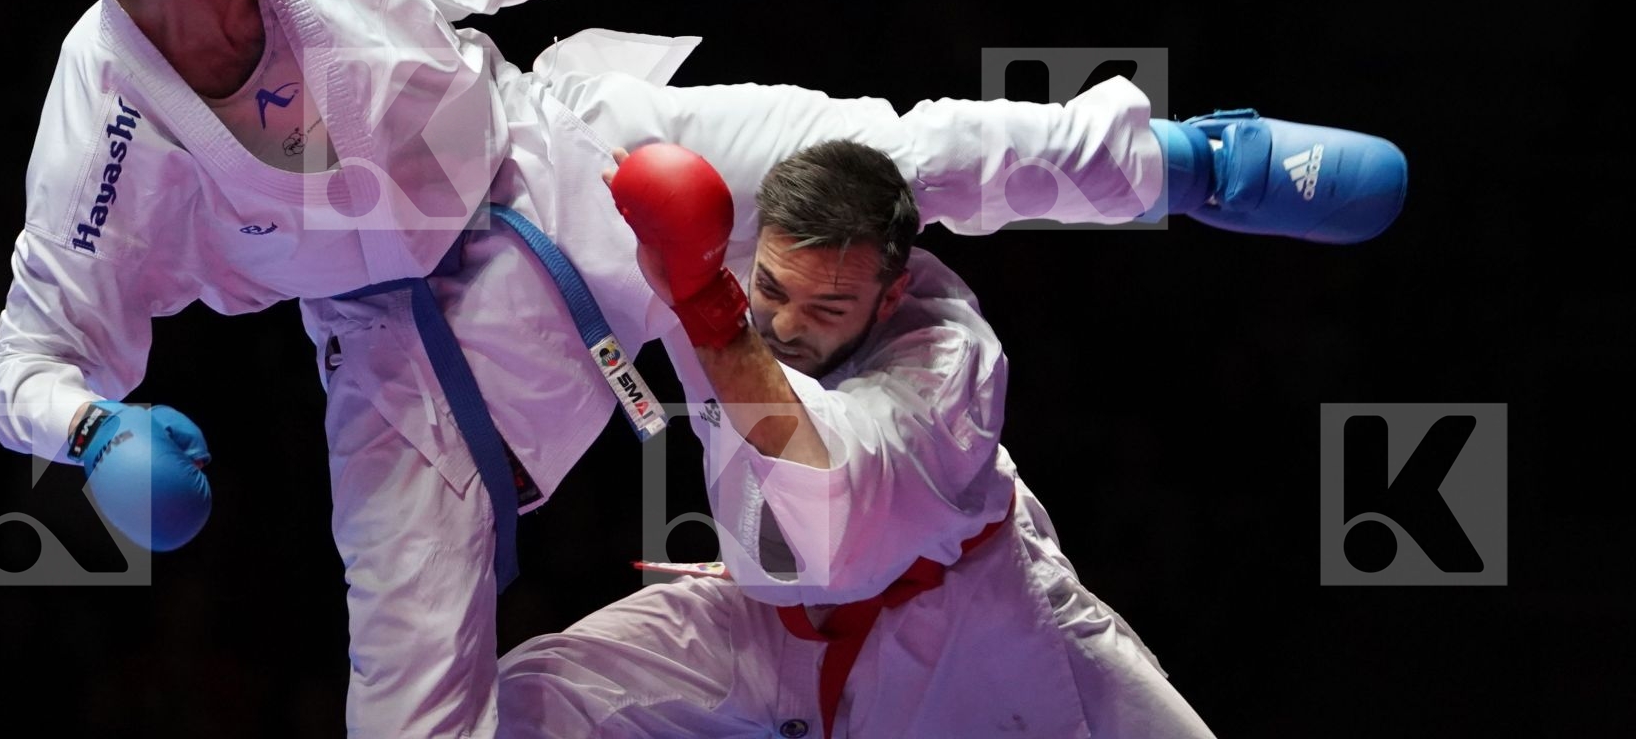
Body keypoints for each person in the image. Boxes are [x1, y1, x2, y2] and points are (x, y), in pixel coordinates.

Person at [0, 0, 1401, 737]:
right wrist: (92, 435)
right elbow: (25, 357)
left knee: (880, 147)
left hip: (561, 153)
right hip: (408, 357)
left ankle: (1191, 159)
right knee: (405, 711)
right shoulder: (105, 125)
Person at [498, 138, 1221, 738]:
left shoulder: (947, 367)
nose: (783, 325)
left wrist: (705, 307)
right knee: (532, 702)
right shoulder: (720, 254)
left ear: (892, 294)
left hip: (965, 631)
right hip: (769, 617)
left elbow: (835, 516)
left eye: (828, 307)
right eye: (772, 291)